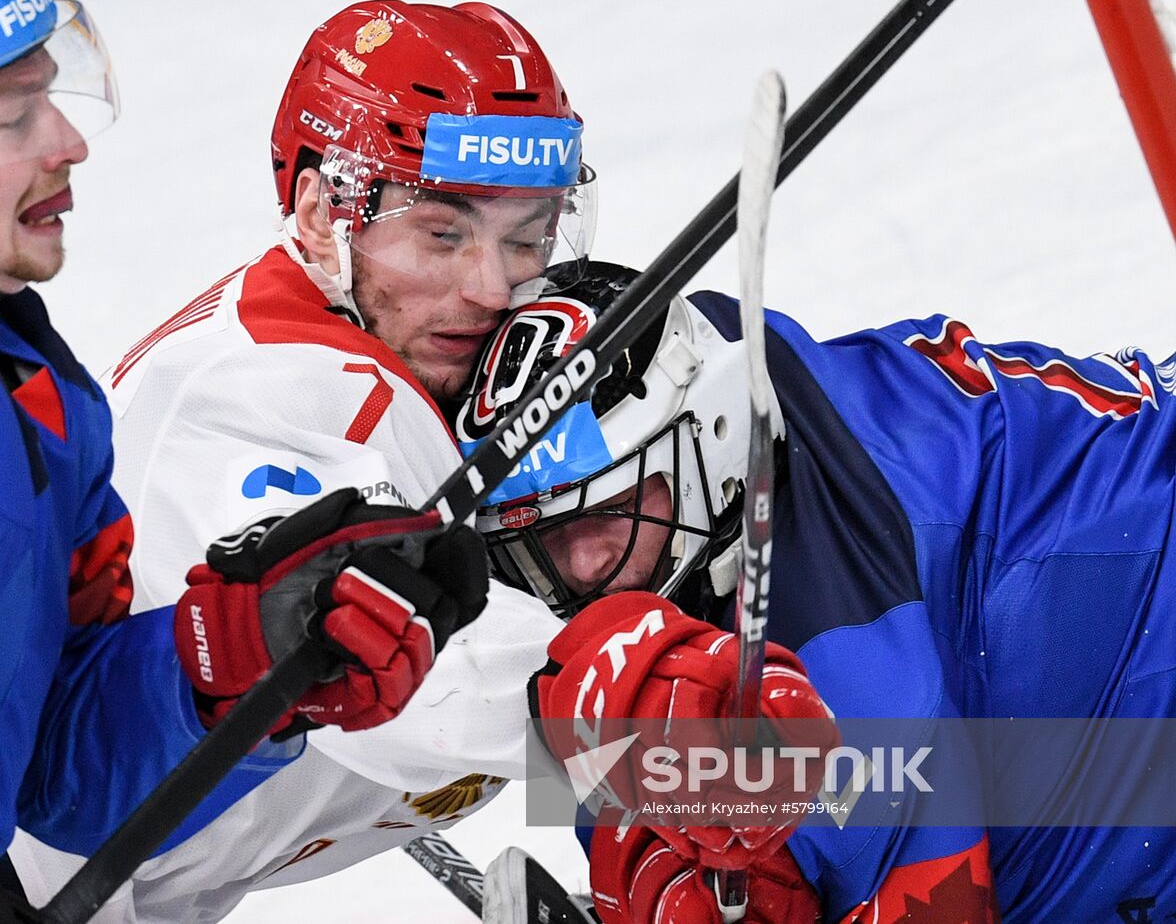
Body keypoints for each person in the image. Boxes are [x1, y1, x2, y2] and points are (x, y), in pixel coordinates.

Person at [0, 0, 483, 921]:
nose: (68, 140)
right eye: (13, 117)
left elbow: (56, 776)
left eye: (53, 97)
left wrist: (230, 654)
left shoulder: (36, 390)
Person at [9, 0, 603, 922]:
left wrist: (650, 817)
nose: (492, 288)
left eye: (528, 235)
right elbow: (413, 690)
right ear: (326, 208)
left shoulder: (468, 355)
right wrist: (689, 741)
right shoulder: (248, 391)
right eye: (442, 233)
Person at [460, 260, 1176, 923]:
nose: (582, 566)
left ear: (705, 438)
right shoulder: (756, 395)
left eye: (611, 509)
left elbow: (937, 898)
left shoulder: (843, 659)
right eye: (539, 541)